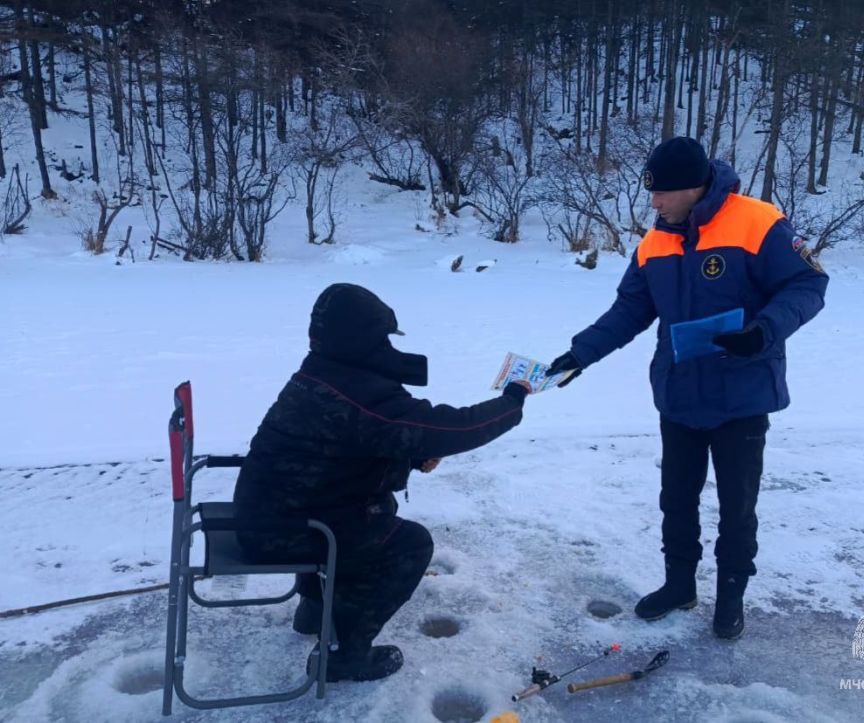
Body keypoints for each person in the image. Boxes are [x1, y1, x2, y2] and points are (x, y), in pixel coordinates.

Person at [547, 137, 828, 640]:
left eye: (661, 193)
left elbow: (808, 286)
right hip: (679, 395)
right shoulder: (657, 240)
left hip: (742, 395)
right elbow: (630, 309)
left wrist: (763, 330)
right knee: (676, 499)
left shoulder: (758, 222)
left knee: (737, 507)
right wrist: (580, 354)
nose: (652, 202)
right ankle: (679, 585)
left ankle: (731, 598)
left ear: (693, 187)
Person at [233, 283, 530, 681]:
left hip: (270, 514)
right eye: (381, 338)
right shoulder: (352, 394)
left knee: (372, 508)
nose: (386, 346)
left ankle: (315, 608)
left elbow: (352, 446)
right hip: (284, 531)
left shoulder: (321, 375)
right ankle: (346, 656)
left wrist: (409, 454)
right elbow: (447, 428)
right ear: (362, 339)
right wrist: (511, 403)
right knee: (407, 543)